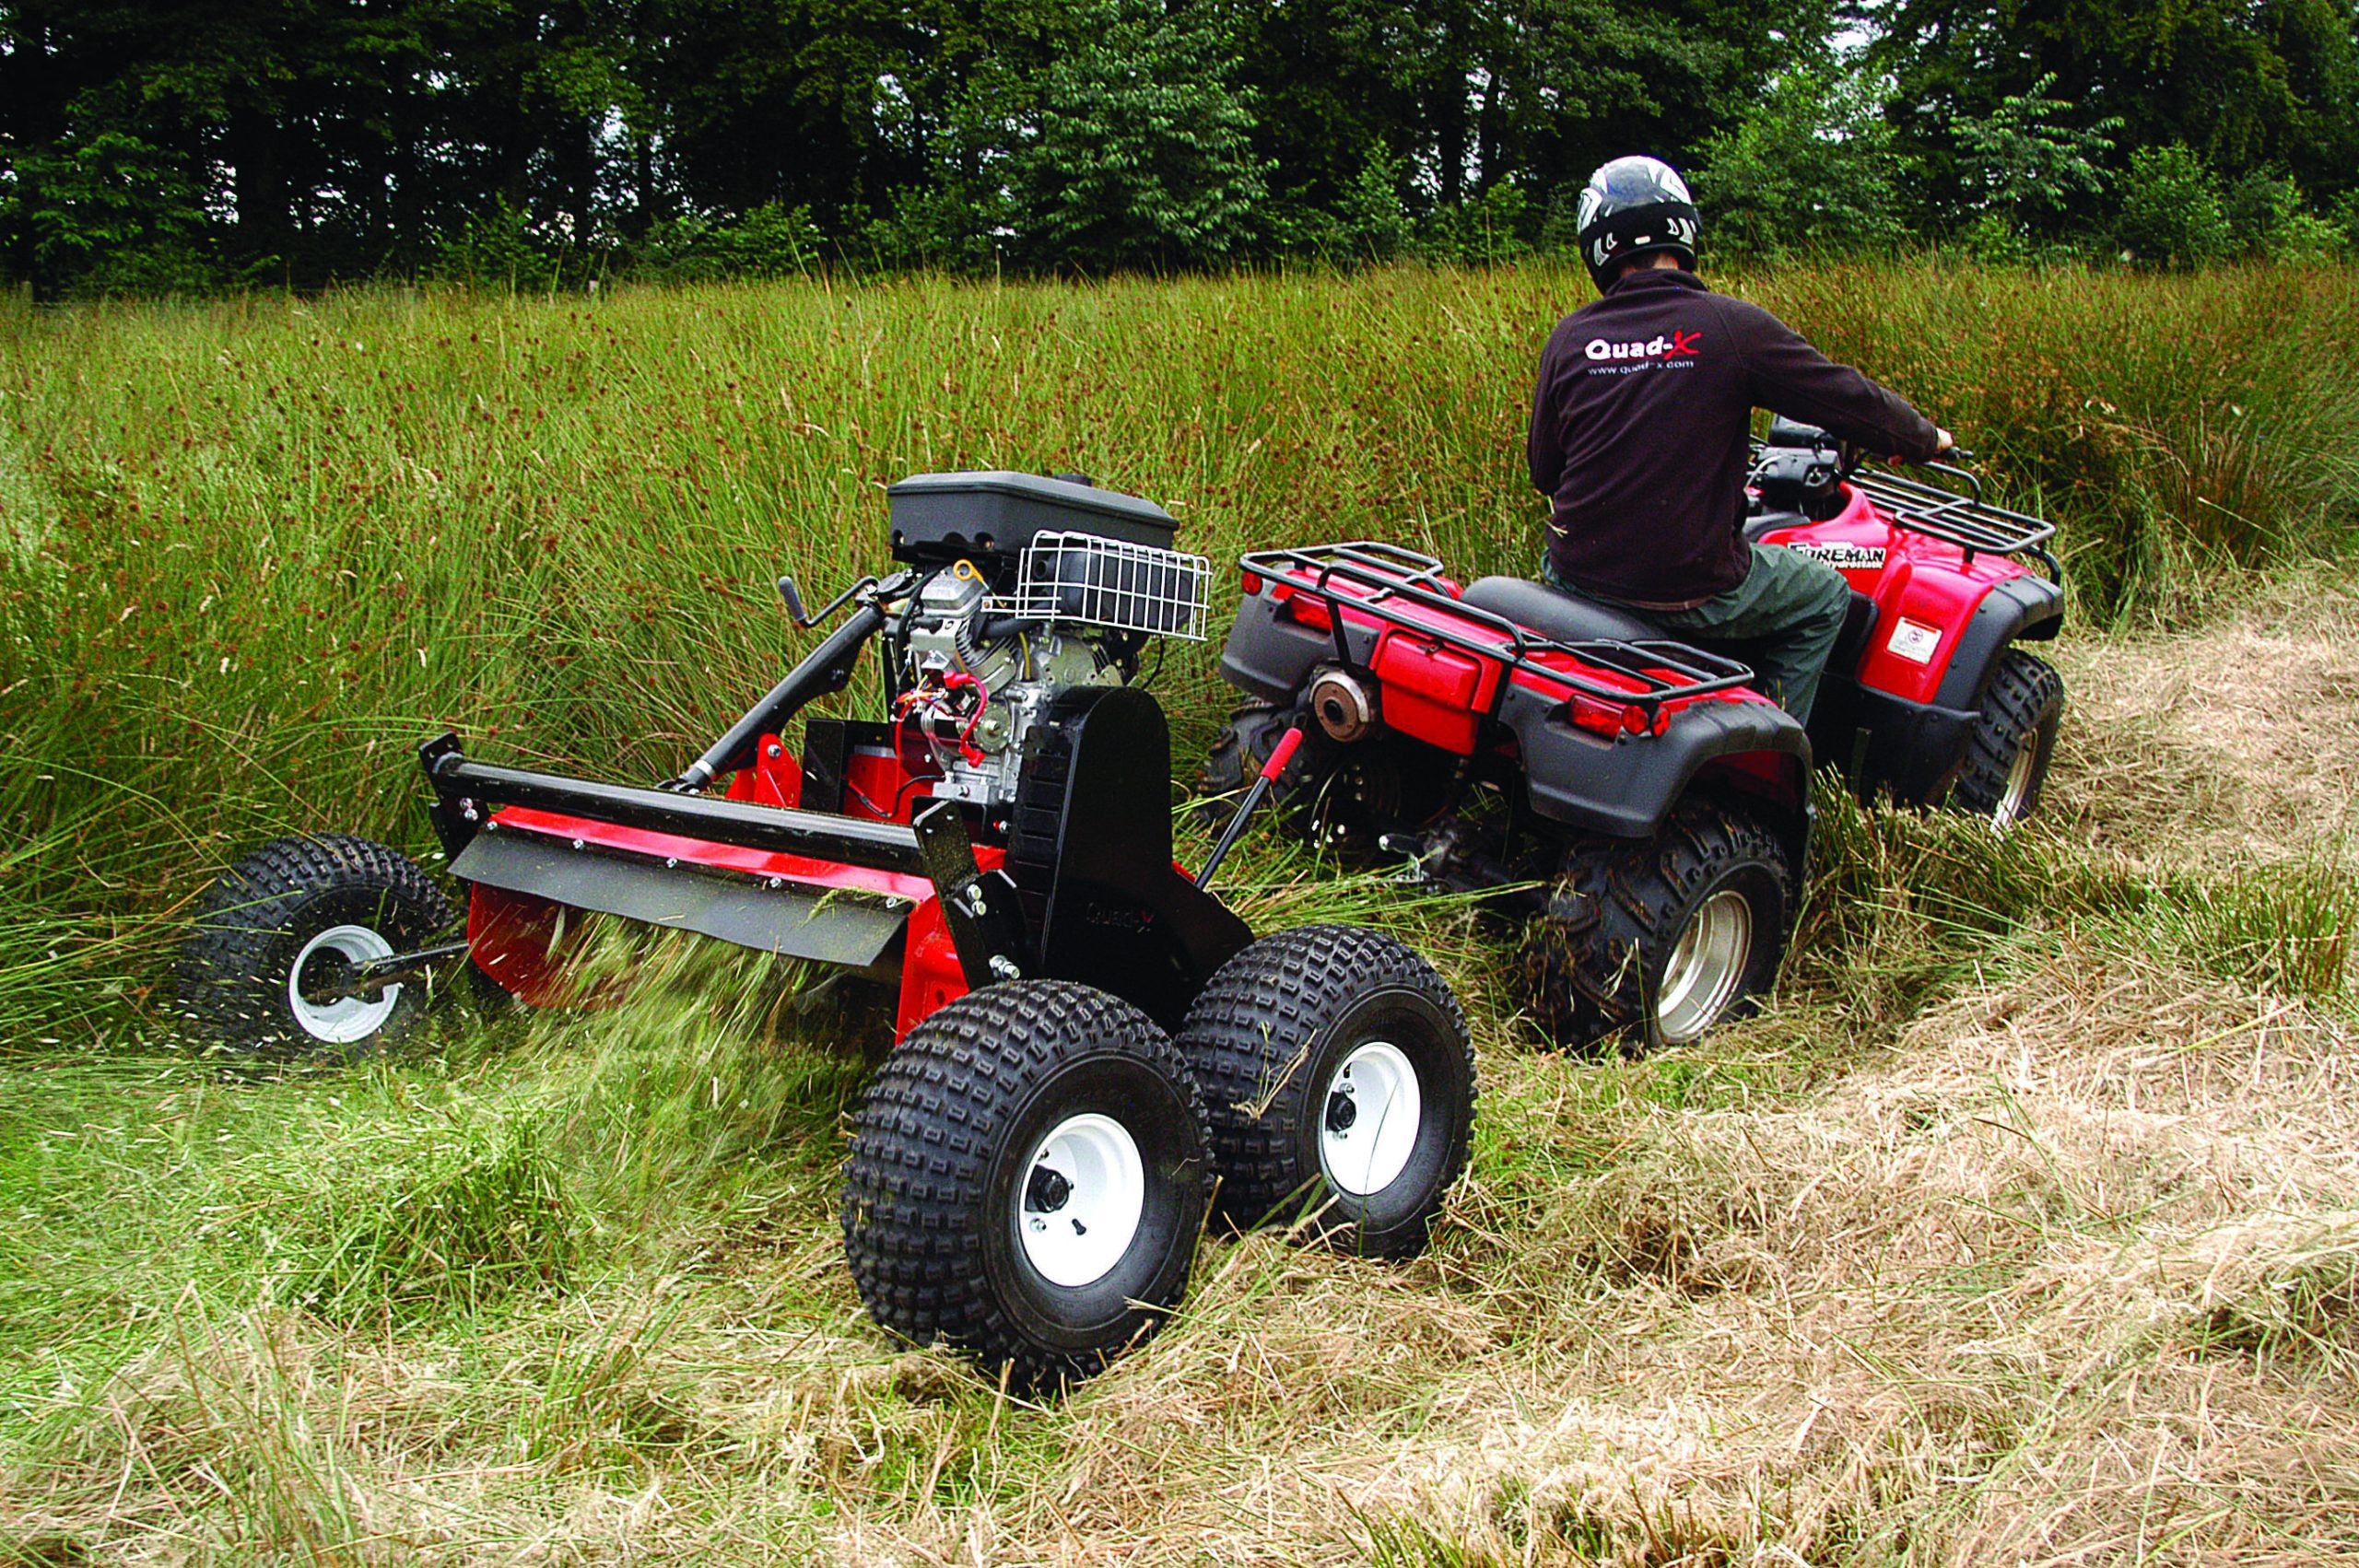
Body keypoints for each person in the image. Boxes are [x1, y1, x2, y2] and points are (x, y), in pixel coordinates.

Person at [1527, 155, 1953, 724]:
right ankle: (1771, 747)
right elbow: (1846, 397)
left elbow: (1545, 473)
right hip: (1687, 588)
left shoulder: (1570, 336)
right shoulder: (1729, 326)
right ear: (1683, 230)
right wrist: (1923, 438)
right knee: (1824, 595)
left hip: (1576, 576)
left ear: (1596, 247)